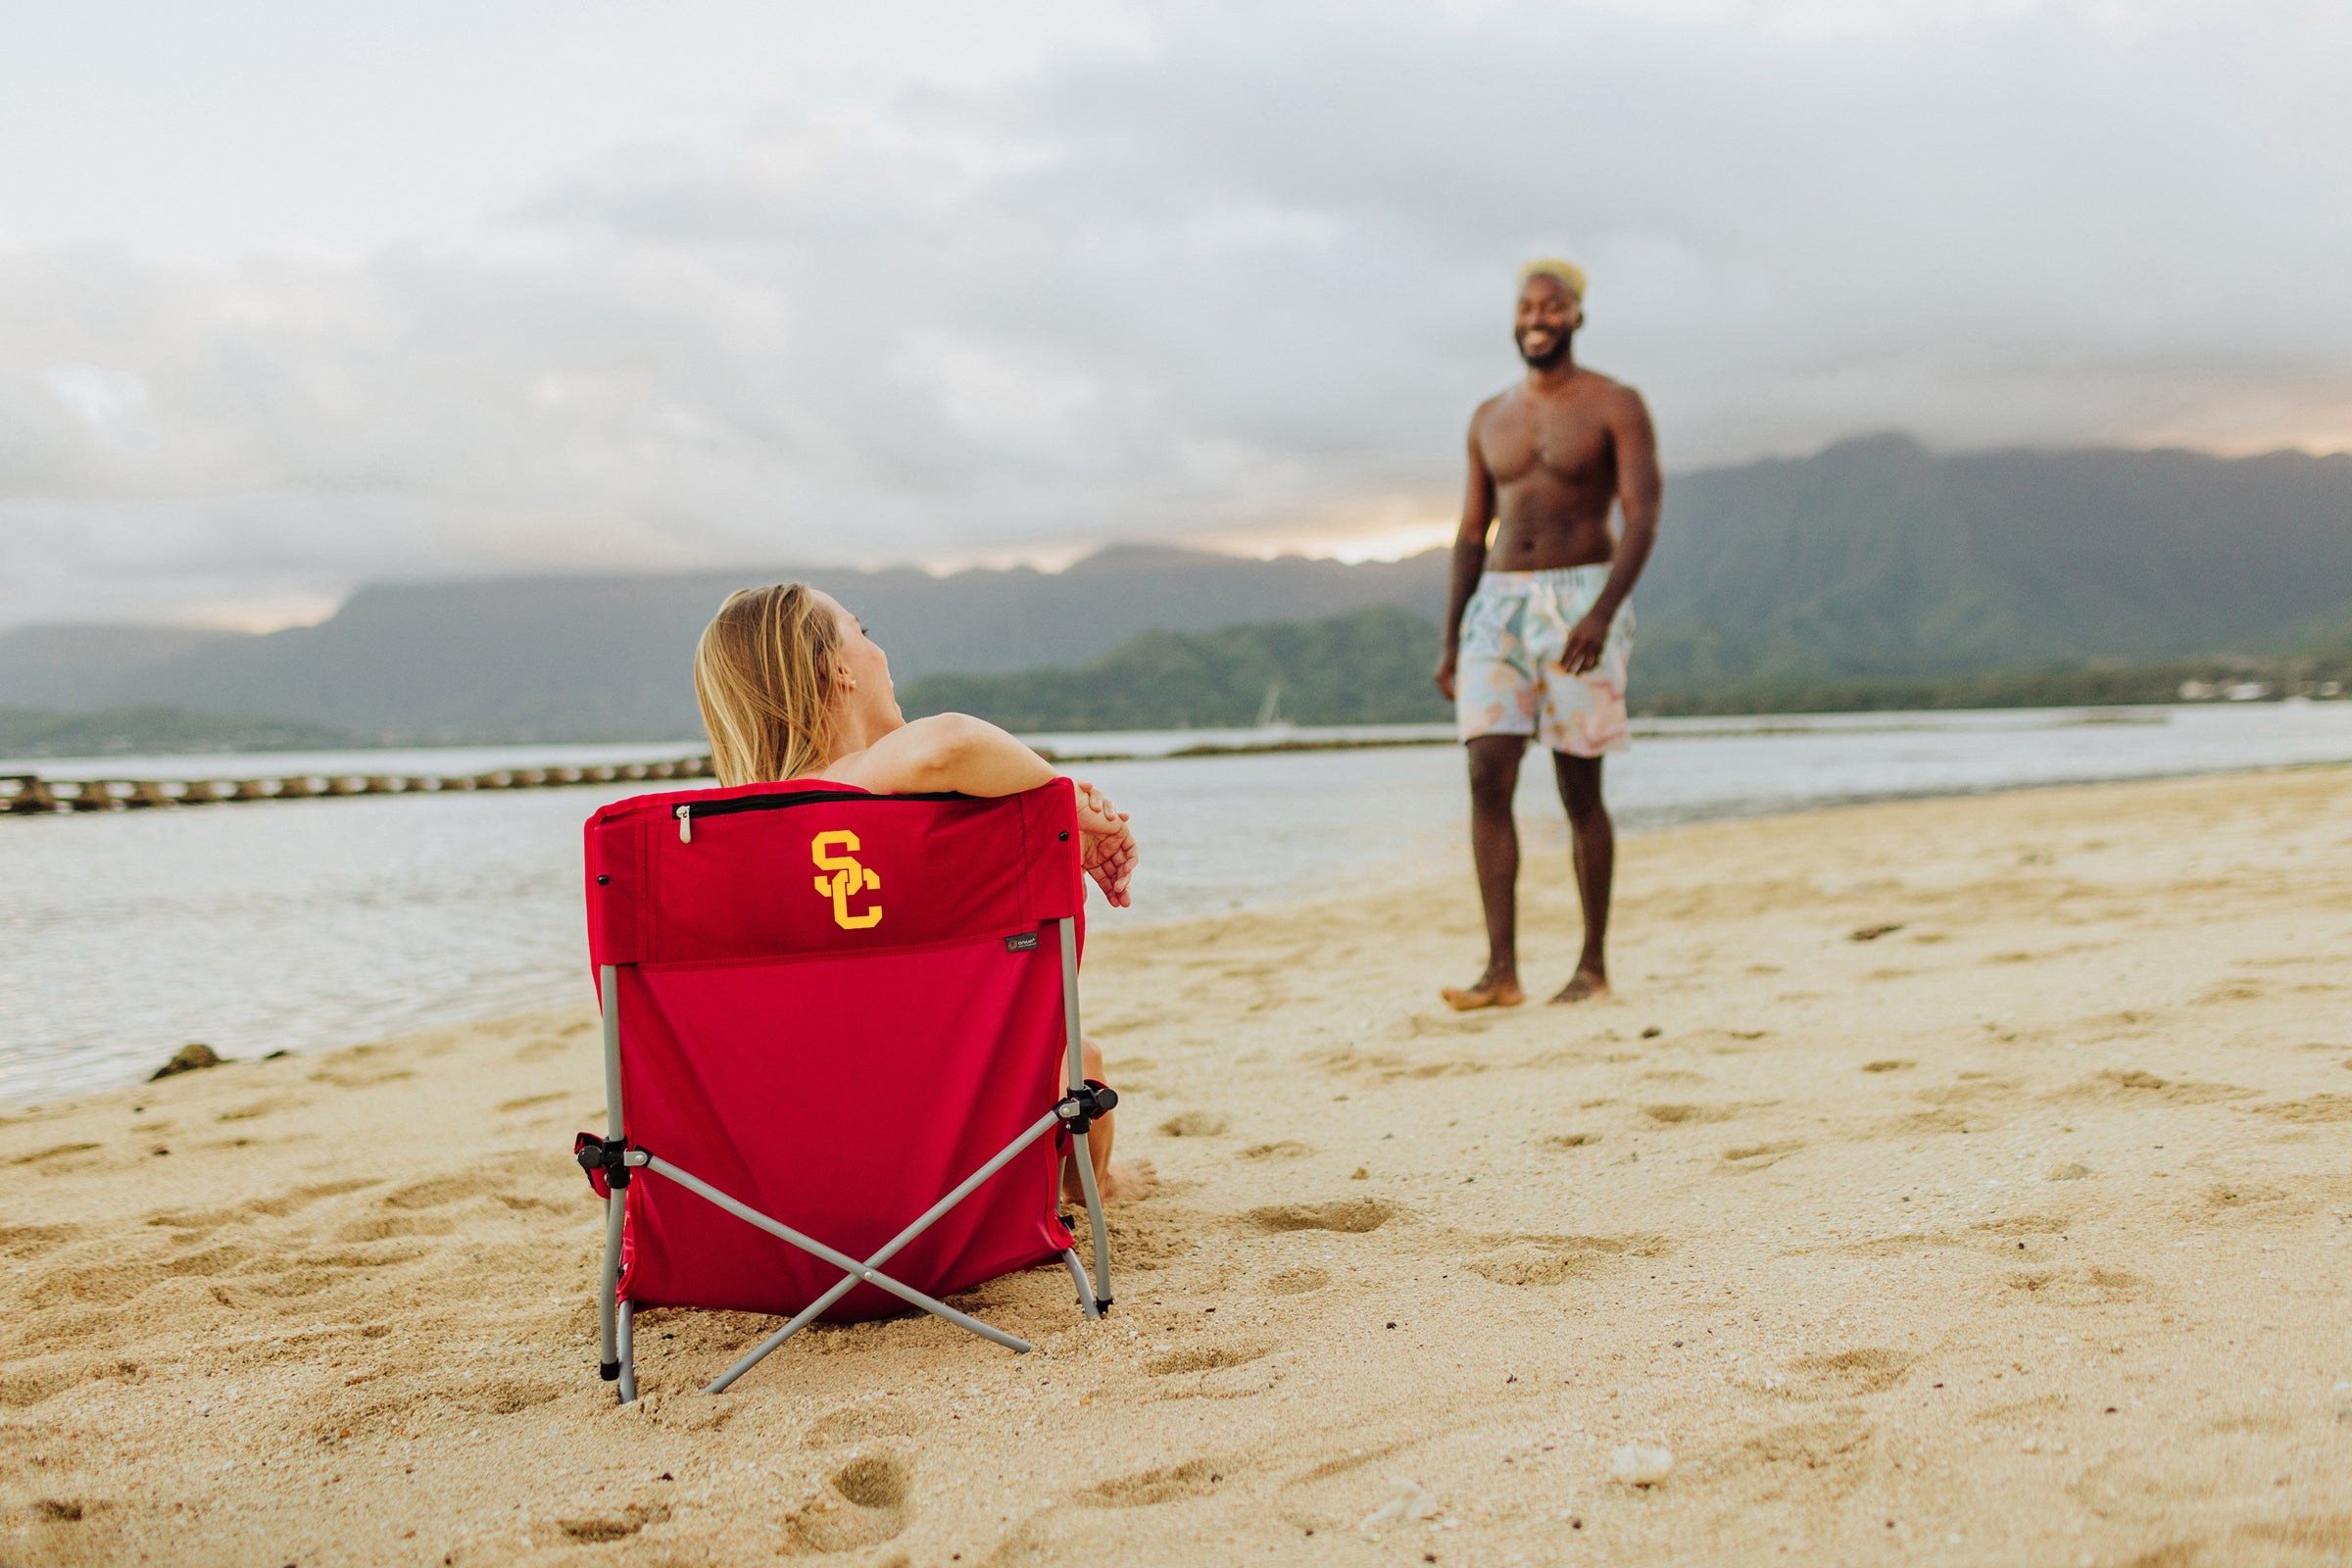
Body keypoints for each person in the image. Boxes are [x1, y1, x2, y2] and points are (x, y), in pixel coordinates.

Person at [692, 581, 1150, 1200]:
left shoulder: (713, 846)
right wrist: (1058, 797)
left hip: (778, 1176)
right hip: (950, 1165)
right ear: (838, 670)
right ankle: (1101, 1186)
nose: (880, 652)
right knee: (1079, 1057)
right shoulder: (885, 802)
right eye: (864, 630)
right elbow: (952, 742)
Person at [1433, 258, 1661, 1010]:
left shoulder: (1614, 403)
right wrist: (1451, 637)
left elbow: (1643, 517)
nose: (1538, 316)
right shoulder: (1488, 416)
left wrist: (1601, 614)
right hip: (1495, 605)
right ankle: (1501, 972)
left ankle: (1592, 967)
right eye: (1528, 305)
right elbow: (1472, 531)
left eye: (1554, 306)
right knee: (1485, 777)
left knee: (1577, 785)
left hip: (1580, 598)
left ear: (1576, 316)